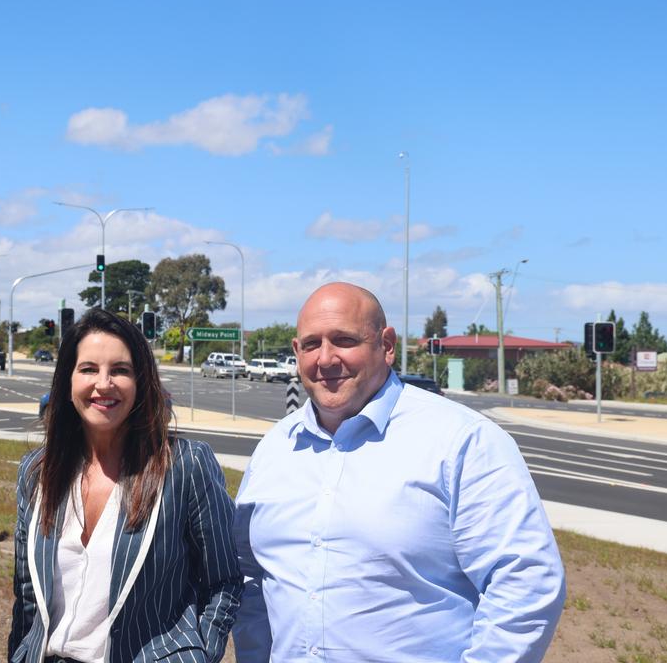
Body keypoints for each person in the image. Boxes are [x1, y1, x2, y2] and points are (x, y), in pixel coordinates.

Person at [233, 282, 565, 662]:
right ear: (296, 352)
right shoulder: (274, 450)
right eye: (311, 344)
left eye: (343, 340)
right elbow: (251, 583)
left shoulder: (461, 441)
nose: (325, 359)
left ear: (386, 345)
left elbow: (526, 581)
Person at [9, 308, 242, 663]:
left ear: (141, 381)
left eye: (120, 370)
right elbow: (27, 595)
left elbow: (223, 580)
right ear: (68, 381)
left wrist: (198, 656)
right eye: (88, 369)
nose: (104, 383)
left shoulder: (183, 467)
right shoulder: (37, 472)